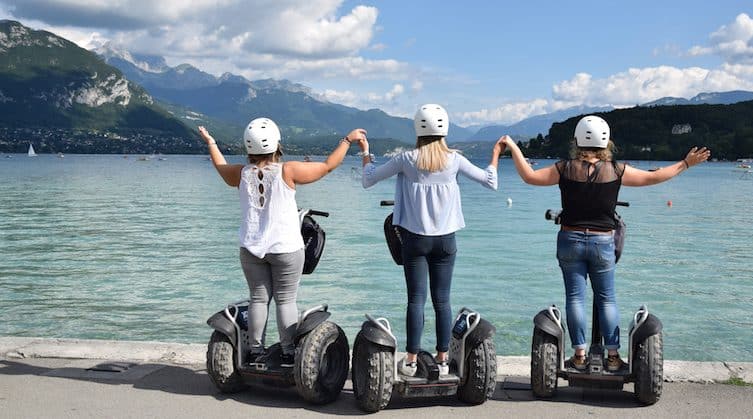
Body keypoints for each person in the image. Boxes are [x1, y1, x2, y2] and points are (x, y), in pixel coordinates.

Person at [500, 115, 710, 371]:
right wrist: (686, 163)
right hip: (602, 243)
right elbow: (653, 178)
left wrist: (513, 147)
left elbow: (530, 177)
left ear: (577, 140)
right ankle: (612, 357)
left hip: (570, 239)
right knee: (607, 299)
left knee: (575, 298)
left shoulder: (564, 168)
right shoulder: (617, 170)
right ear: (606, 142)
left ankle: (578, 356)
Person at [199, 118, 367, 367]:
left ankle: (255, 352)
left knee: (258, 299)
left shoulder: (240, 174)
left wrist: (211, 142)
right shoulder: (288, 170)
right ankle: (289, 352)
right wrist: (348, 140)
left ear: (248, 147)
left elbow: (220, 165)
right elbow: (329, 166)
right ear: (277, 144)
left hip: (251, 249)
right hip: (286, 248)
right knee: (286, 300)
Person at [360, 104, 504, 376]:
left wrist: (366, 152)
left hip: (415, 241)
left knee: (416, 300)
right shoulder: (455, 160)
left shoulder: (406, 159)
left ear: (417, 129)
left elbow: (369, 179)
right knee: (443, 301)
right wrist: (495, 154)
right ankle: (442, 359)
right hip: (446, 241)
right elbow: (490, 181)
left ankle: (412, 361)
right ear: (445, 130)